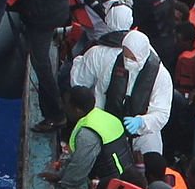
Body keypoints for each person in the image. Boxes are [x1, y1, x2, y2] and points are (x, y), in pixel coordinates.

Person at [69, 28, 174, 156]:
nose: (128, 61)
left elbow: (162, 113)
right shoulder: (113, 66)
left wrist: (142, 122)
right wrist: (99, 121)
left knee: (149, 163)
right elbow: (101, 94)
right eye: (126, 55)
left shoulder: (160, 76)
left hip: (145, 134)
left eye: (133, 58)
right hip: (113, 128)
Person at [16, 0, 70, 132]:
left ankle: (55, 114)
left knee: (41, 63)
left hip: (44, 14)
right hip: (52, 7)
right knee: (40, 60)